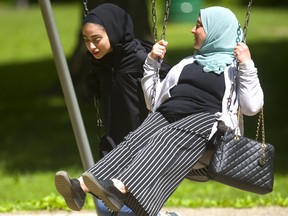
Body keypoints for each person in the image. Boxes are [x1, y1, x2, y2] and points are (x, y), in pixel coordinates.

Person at [55, 6, 264, 216]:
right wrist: (152, 63)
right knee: (137, 137)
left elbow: (252, 106)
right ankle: (80, 187)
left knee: (166, 134)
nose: (193, 29)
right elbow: (153, 101)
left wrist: (247, 64)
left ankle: (119, 188)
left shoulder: (234, 68)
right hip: (170, 118)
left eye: (199, 25)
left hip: (209, 128)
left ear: (217, 30)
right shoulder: (186, 64)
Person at [56, 3, 176, 216]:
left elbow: (173, 87)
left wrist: (155, 64)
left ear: (113, 32)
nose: (91, 47)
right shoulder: (102, 63)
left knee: (123, 206)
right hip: (115, 137)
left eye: (96, 39)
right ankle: (79, 188)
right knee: (107, 206)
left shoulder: (140, 58)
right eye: (86, 41)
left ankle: (79, 187)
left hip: (143, 139)